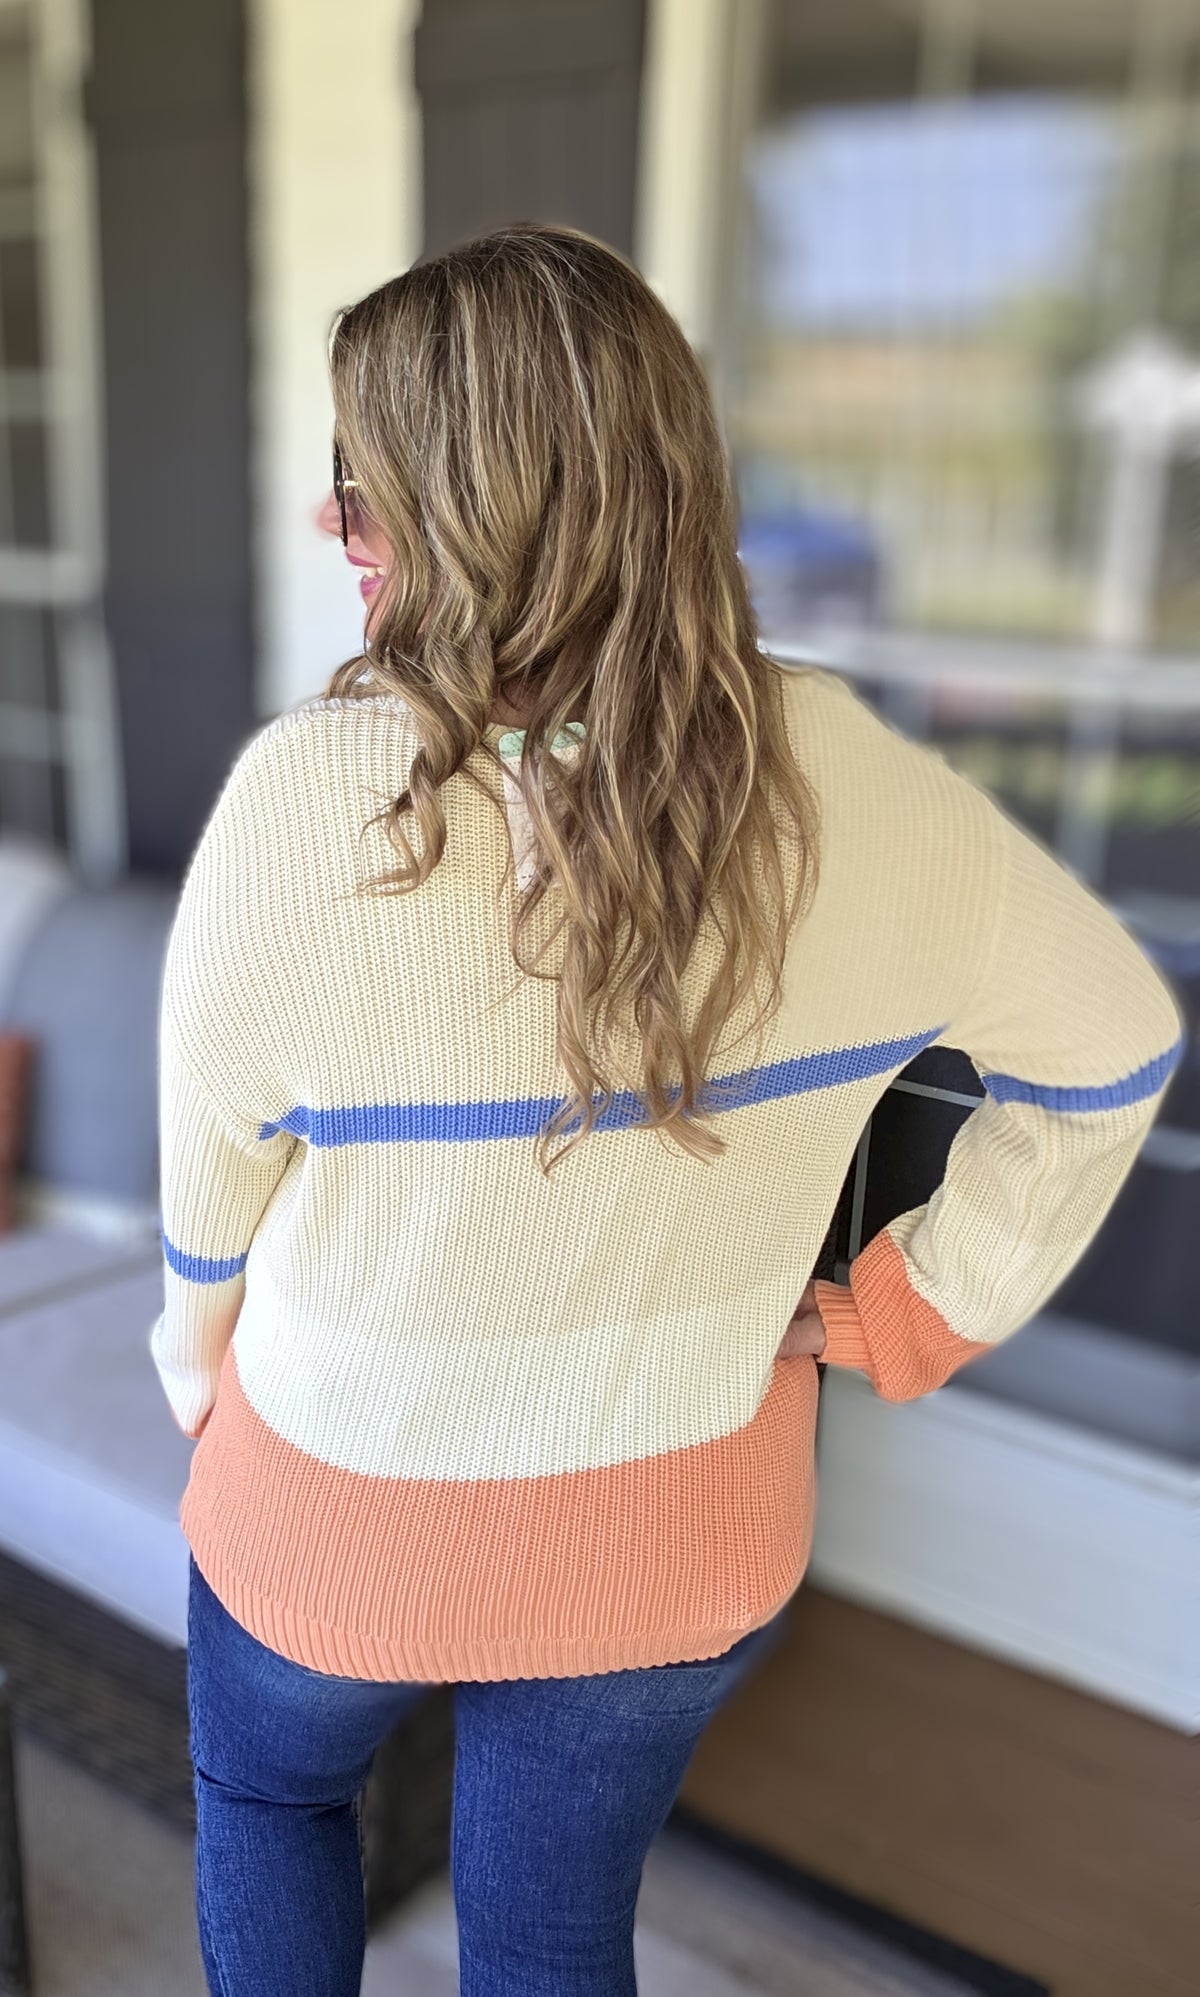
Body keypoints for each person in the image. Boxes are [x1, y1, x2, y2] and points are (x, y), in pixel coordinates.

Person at [151, 223, 1185, 1996]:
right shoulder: (853, 781)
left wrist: (193, 1368)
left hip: (336, 1504)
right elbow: (1108, 1050)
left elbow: (208, 1202)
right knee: (555, 1933)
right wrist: (907, 1307)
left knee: (264, 1796)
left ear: (459, 517)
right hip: (675, 1523)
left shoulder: (303, 803)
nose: (341, 531)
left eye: (365, 489)